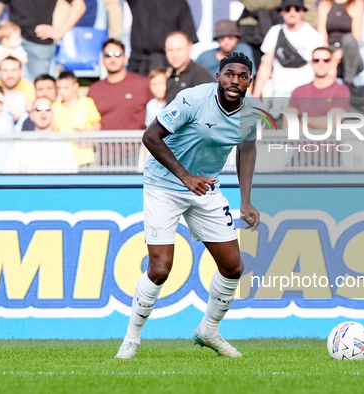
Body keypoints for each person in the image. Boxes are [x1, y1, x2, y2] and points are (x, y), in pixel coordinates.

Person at [114, 52, 260, 360]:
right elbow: (150, 137)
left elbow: (247, 149)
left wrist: (245, 200)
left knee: (233, 267)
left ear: (250, 81)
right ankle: (131, 340)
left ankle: (208, 331)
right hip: (164, 185)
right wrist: (184, 176)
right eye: (229, 74)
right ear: (218, 77)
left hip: (205, 187)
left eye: (242, 76)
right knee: (160, 269)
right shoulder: (192, 99)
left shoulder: (252, 114)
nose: (235, 80)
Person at [0, 0, 86, 99]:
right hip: (13, 35)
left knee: (41, 92)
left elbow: (79, 6)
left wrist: (59, 32)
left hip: (39, 41)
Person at [87, 38, 154, 166]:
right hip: (104, 157)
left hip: (136, 154)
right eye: (108, 55)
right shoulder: (94, 90)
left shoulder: (143, 84)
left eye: (118, 54)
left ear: (125, 59)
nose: (113, 58)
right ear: (102, 60)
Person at [252, 0, 323, 105]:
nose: (292, 13)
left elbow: (319, 67)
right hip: (279, 91)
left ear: (303, 11)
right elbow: (266, 66)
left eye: (297, 9)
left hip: (304, 92)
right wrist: (256, 95)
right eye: (288, 9)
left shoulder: (313, 36)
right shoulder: (274, 32)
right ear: (281, 12)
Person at [3, 96, 78, 173]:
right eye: (38, 109)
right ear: (31, 115)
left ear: (53, 114)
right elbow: (9, 174)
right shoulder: (20, 145)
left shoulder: (64, 145)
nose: (43, 112)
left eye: (47, 108)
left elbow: (71, 176)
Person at [125, 0, 199, 76]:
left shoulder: (179, 2)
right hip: (138, 62)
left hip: (167, 64)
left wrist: (178, 67)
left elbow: (187, 39)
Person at [287, 47, 350, 129]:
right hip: (303, 142)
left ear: (332, 63)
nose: (321, 63)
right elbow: (288, 124)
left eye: (326, 60)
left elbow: (331, 123)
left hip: (330, 142)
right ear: (311, 63)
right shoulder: (298, 91)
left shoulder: (341, 90)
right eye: (316, 60)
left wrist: (301, 119)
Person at [53, 71, 101, 167]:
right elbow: (53, 128)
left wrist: (87, 134)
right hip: (63, 156)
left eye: (66, 88)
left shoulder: (87, 103)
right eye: (59, 88)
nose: (62, 91)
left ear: (75, 86)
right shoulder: (54, 107)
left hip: (85, 157)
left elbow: (97, 124)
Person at [0, 56, 34, 129]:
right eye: (5, 70)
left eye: (14, 70)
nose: (10, 75)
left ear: (21, 72)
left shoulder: (28, 98)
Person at [316, 0, 364, 84]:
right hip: (330, 50)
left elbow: (356, 36)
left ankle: (349, 84)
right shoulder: (325, 3)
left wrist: (337, 56)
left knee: (349, 39)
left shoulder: (356, 3)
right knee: (319, 56)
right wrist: (329, 55)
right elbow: (321, 33)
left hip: (349, 54)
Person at [165, 32, 214, 103]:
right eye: (170, 50)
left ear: (189, 48)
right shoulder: (168, 75)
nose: (174, 55)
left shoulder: (200, 74)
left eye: (179, 49)